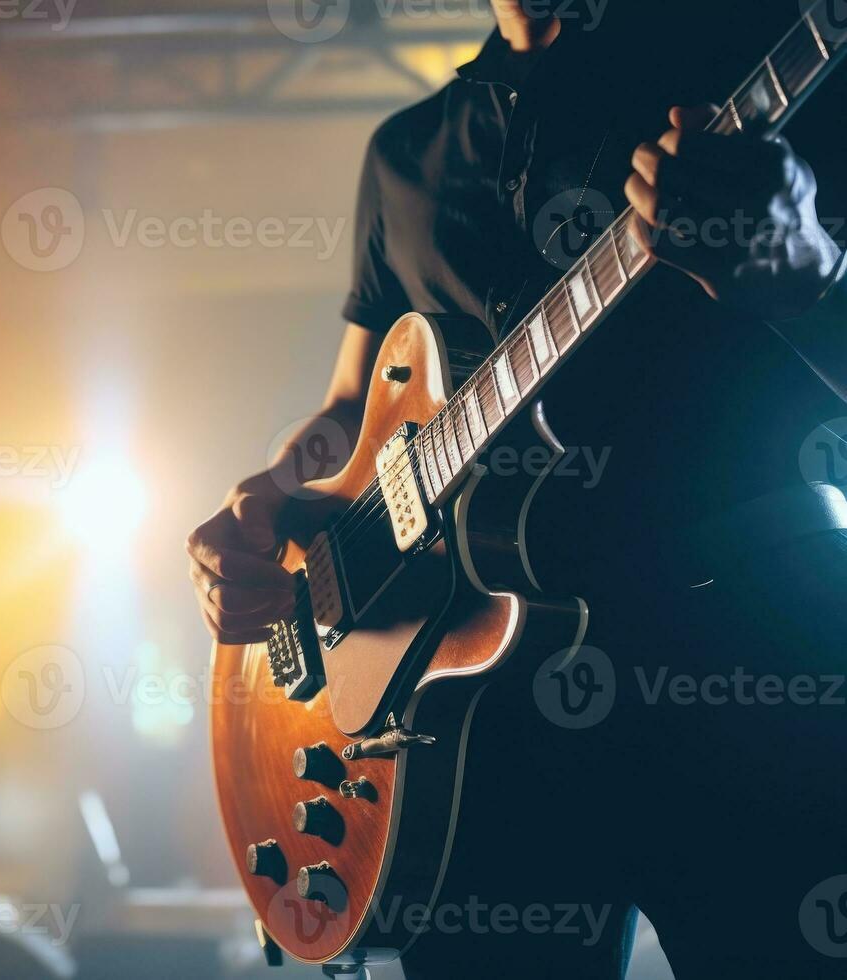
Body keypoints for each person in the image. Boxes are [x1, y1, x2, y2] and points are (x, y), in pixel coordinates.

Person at [188, 2, 847, 976]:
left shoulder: (765, 55)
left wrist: (810, 269)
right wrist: (270, 500)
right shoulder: (406, 153)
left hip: (755, 670)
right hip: (477, 728)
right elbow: (344, 410)